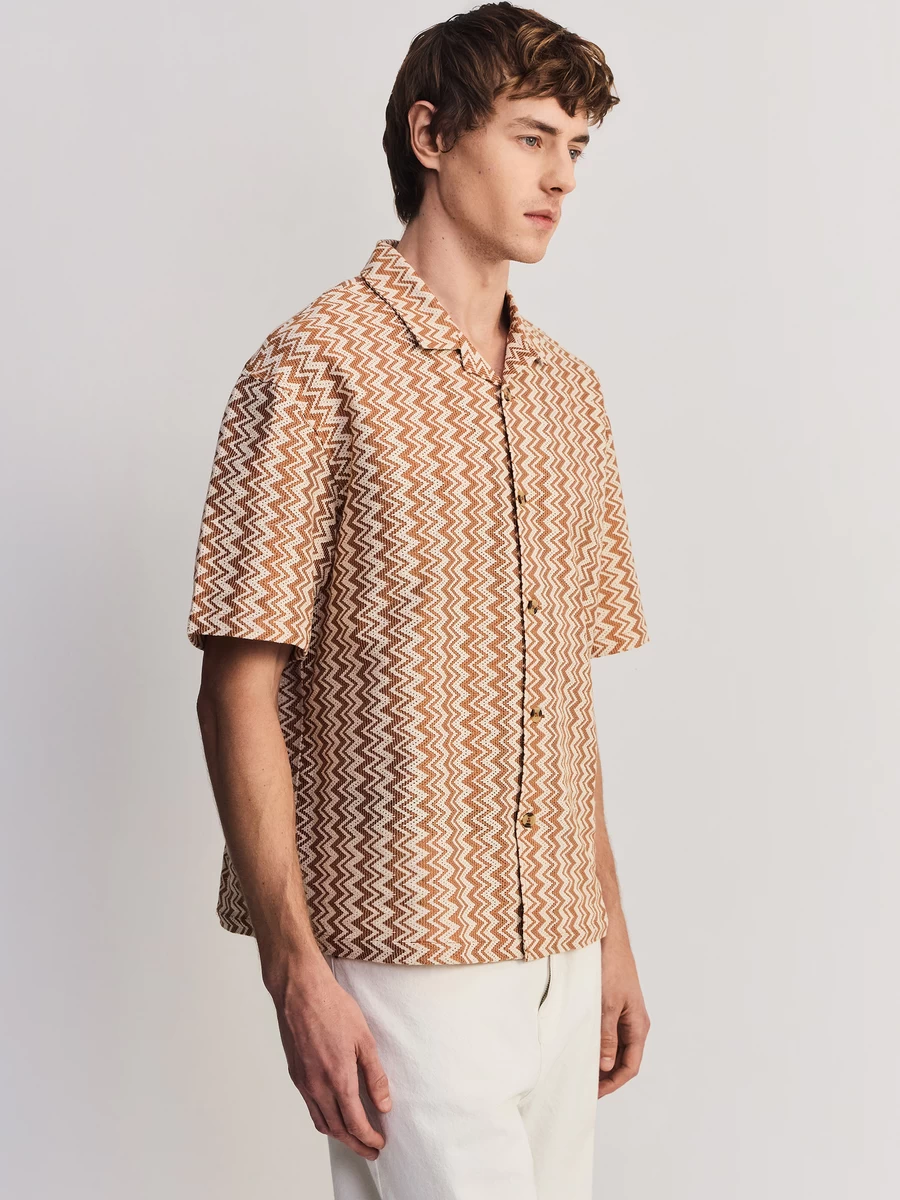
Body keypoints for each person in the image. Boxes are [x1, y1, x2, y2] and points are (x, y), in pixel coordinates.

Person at [186, 3, 652, 1196]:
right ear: (431, 136)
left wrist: (608, 934)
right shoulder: (311, 368)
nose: (562, 177)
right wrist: (295, 972)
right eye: (532, 138)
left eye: (577, 147)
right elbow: (236, 693)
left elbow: (563, 697)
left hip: (561, 951)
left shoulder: (570, 395)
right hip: (405, 960)